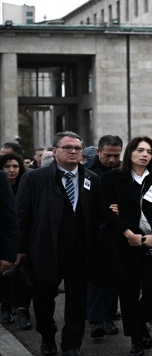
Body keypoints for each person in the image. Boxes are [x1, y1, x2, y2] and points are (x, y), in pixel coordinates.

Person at [16, 131, 101, 356]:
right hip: (44, 249)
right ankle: (47, 337)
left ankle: (71, 344)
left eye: (78, 148)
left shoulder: (92, 178)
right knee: (43, 299)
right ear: (54, 152)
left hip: (80, 251)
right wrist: (20, 249)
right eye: (67, 147)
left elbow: (97, 216)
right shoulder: (34, 178)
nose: (74, 151)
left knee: (77, 302)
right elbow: (22, 217)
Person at [97, 136, 152, 356]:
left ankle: (140, 324)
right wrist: (128, 233)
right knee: (129, 293)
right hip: (125, 244)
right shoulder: (113, 178)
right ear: (130, 153)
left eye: (149, 151)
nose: (145, 155)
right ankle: (136, 340)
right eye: (140, 150)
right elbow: (106, 209)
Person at [83, 134, 123, 339]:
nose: (113, 160)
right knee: (95, 278)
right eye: (108, 155)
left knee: (113, 277)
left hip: (118, 231)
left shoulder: (124, 172)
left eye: (117, 156)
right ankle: (95, 320)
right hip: (94, 232)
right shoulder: (87, 173)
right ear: (98, 151)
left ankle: (107, 317)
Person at [0, 153, 32, 329]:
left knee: (24, 277)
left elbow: (12, 218)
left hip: (22, 237)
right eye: (7, 166)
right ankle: (5, 306)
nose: (11, 170)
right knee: (6, 279)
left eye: (15, 166)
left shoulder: (27, 183)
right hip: (8, 240)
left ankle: (23, 309)